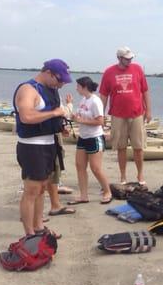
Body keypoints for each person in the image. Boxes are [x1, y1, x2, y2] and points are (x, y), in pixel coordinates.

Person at [13, 59, 72, 236]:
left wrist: (60, 126)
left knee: (42, 188)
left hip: (49, 144)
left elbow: (49, 116)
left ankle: (39, 227)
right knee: (31, 191)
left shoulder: (52, 90)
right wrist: (55, 113)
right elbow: (26, 116)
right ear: (48, 73)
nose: (61, 84)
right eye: (59, 80)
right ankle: (29, 234)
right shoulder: (28, 89)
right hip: (32, 147)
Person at [99, 47, 151, 185]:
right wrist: (101, 115)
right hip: (117, 115)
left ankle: (140, 175)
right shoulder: (109, 72)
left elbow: (145, 91)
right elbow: (103, 95)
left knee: (138, 147)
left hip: (137, 113)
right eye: (126, 58)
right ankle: (123, 176)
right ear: (119, 58)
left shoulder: (138, 69)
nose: (129, 60)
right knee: (121, 147)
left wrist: (149, 111)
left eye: (131, 58)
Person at [67, 76, 113, 205]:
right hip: (83, 137)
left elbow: (100, 121)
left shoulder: (95, 101)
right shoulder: (83, 100)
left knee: (96, 168)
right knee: (79, 166)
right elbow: (79, 117)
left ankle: (107, 191)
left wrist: (81, 120)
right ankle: (83, 195)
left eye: (78, 86)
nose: (76, 88)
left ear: (84, 87)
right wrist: (72, 112)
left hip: (95, 137)